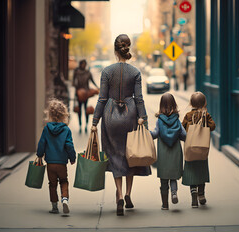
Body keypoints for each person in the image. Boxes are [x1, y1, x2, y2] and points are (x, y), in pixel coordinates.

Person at [91, 34, 151, 216]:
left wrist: (95, 121)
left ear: (115, 50)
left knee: (115, 155)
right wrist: (144, 119)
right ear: (127, 49)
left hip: (110, 116)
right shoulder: (135, 73)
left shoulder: (107, 71)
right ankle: (127, 194)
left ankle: (117, 195)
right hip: (130, 115)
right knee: (129, 154)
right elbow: (139, 98)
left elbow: (101, 99)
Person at [36, 99, 76, 214]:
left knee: (52, 184)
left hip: (50, 163)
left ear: (49, 114)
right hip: (62, 163)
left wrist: (39, 155)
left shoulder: (46, 129)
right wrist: (72, 158)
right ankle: (65, 199)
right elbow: (69, 145)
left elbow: (41, 144)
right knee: (64, 181)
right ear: (64, 114)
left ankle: (54, 206)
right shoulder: (66, 130)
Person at [150, 93, 186, 210]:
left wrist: (146, 133)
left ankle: (165, 205)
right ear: (174, 105)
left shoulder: (159, 121)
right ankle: (174, 193)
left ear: (161, 106)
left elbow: (155, 134)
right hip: (175, 153)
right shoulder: (177, 120)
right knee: (173, 177)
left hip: (163, 154)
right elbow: (184, 136)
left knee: (164, 180)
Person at [182, 91, 215, 208]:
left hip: (190, 148)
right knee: (201, 171)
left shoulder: (188, 115)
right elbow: (212, 127)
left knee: (191, 172)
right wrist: (205, 118)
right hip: (202, 149)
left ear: (191, 103)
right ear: (204, 103)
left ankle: (194, 198)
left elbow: (182, 128)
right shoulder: (206, 115)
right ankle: (201, 194)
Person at [72, 59, 99, 133]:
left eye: (85, 64)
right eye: (82, 64)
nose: (83, 65)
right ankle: (80, 125)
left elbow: (92, 81)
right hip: (79, 93)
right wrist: (77, 88)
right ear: (80, 64)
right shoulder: (76, 72)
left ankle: (86, 125)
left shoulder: (88, 73)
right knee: (79, 110)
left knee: (86, 109)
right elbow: (73, 82)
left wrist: (97, 87)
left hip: (86, 93)